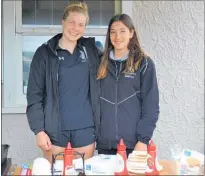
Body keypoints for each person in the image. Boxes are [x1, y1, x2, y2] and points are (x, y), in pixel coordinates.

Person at [26, 2, 101, 163]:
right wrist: (38, 130)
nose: (75, 28)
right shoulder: (44, 53)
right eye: (72, 22)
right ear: (63, 21)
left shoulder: (92, 51)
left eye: (81, 24)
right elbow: (34, 96)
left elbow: (116, 63)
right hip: (54, 132)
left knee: (83, 173)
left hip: (85, 130)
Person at [96, 14, 159, 155]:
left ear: (131, 33)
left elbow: (151, 106)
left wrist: (143, 140)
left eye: (122, 31)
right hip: (105, 144)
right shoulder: (100, 63)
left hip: (134, 145)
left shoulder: (144, 63)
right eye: (113, 32)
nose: (117, 36)